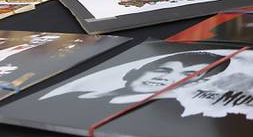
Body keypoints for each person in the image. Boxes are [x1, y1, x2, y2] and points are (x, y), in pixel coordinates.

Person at [79, 51, 229, 104]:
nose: (164, 77)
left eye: (187, 74)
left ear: (197, 82)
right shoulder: (77, 95)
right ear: (134, 72)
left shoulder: (175, 111)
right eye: (162, 69)